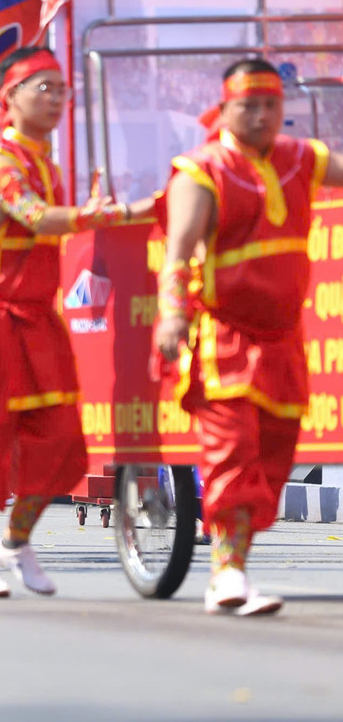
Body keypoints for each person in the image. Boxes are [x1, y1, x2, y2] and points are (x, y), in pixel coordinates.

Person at [0, 46, 152, 598]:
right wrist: (122, 211)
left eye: (62, 89)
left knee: (63, 443)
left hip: (40, 320)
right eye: (44, 88)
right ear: (9, 98)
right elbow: (37, 220)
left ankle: (17, 540)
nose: (57, 99)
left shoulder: (49, 164)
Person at [155, 59, 343, 616]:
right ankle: (227, 575)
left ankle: (234, 561)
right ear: (225, 107)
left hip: (284, 341)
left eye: (271, 106)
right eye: (249, 106)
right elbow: (177, 254)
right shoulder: (202, 169)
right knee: (232, 454)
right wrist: (172, 315)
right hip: (225, 339)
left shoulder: (301, 157)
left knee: (274, 457)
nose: (261, 117)